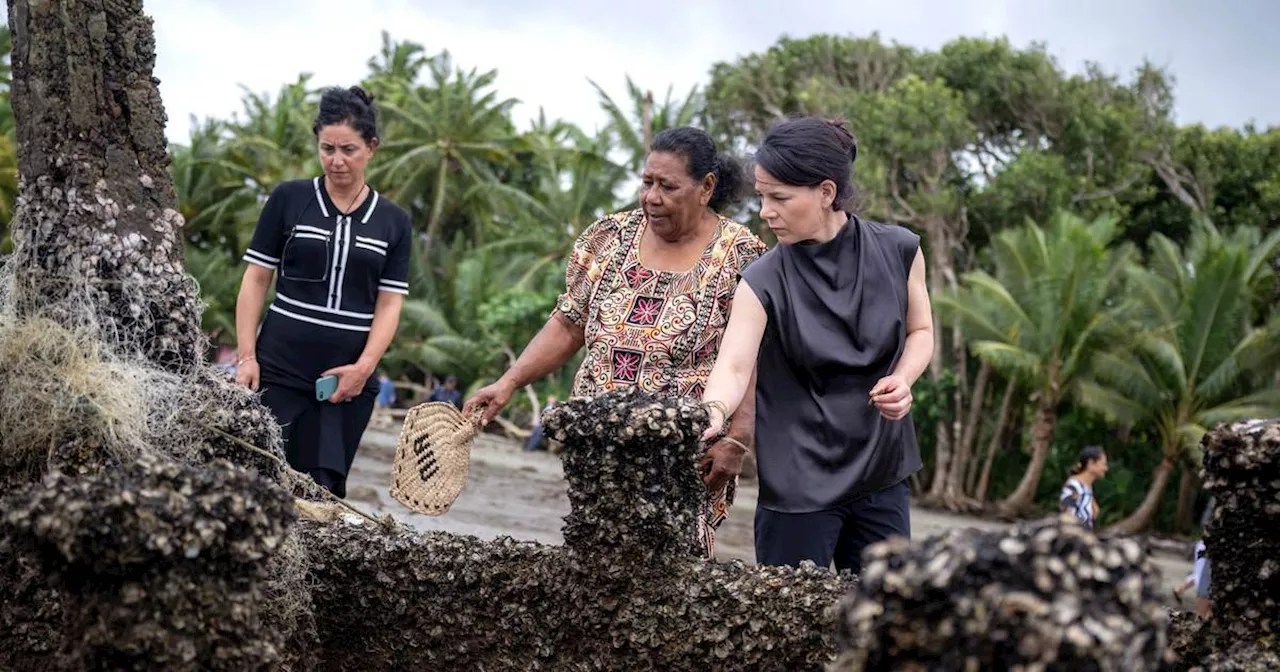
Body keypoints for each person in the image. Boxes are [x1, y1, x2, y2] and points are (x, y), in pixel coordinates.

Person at [464, 127, 768, 558]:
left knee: (673, 568)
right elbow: (569, 324)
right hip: (598, 443)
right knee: (596, 560)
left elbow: (749, 358)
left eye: (668, 186)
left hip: (686, 451)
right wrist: (509, 382)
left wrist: (737, 439)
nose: (651, 197)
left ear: (706, 187)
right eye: (647, 182)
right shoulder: (608, 239)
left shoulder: (740, 254)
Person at [699, 116, 934, 574]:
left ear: (826, 193)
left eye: (779, 198)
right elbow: (732, 367)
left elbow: (920, 332)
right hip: (798, 484)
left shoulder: (900, 249)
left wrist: (903, 380)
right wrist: (712, 413)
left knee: (881, 621)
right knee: (784, 631)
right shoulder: (762, 279)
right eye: (762, 196)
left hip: (881, 473)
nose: (765, 211)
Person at [234, 86, 412, 500]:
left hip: (345, 384)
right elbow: (257, 278)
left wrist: (364, 368)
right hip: (277, 368)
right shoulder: (289, 199)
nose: (336, 160)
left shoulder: (394, 221)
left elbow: (389, 302)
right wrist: (246, 357)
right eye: (326, 148)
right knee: (256, 485)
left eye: (348, 149)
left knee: (320, 494)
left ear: (371, 148)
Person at [1060, 446, 1108, 529]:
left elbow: (1094, 513)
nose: (1106, 468)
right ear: (1091, 463)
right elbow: (1067, 517)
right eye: (1103, 464)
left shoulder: (1087, 486)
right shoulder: (1074, 486)